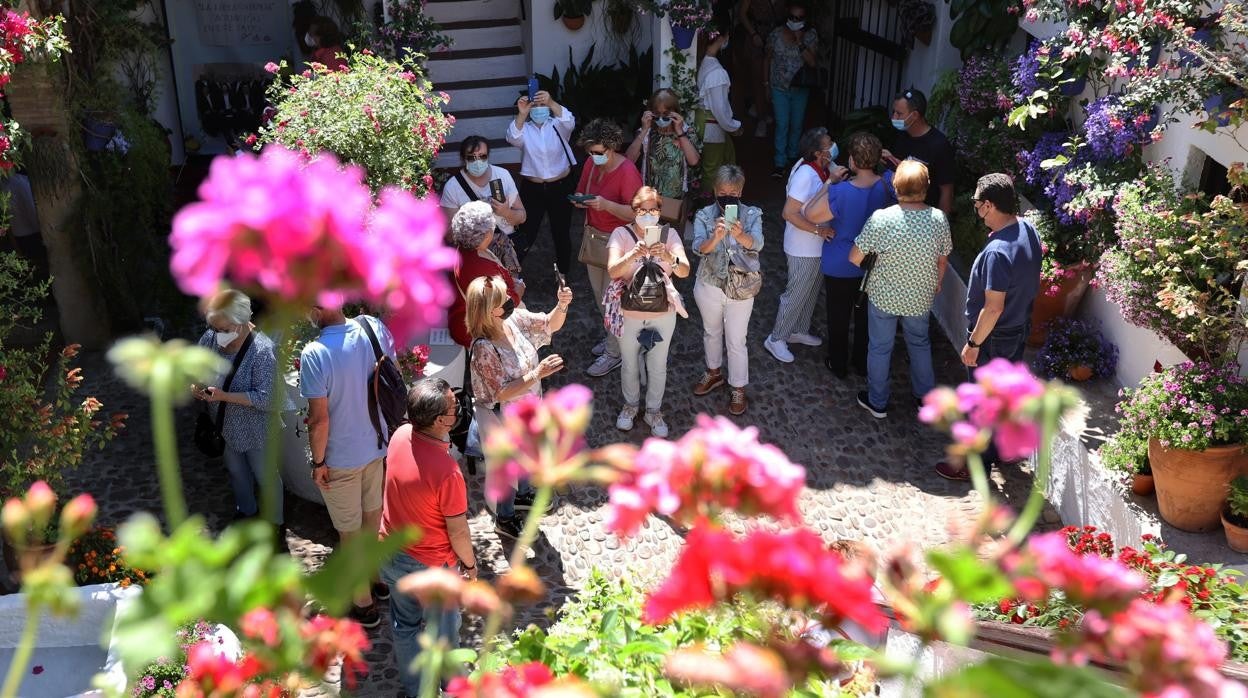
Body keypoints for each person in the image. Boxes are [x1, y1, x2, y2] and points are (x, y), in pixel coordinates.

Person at [933, 174, 1041, 480]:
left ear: (990, 205)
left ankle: (974, 467)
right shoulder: (1027, 230)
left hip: (994, 336)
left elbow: (993, 307)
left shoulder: (997, 253)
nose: (976, 209)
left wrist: (974, 343)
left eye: (978, 204)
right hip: (1018, 327)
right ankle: (1000, 449)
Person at [300, 305, 398, 628]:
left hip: (340, 459)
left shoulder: (315, 353)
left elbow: (319, 420)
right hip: (375, 446)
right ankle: (376, 578)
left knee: (350, 535)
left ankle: (363, 603)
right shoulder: (371, 327)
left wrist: (318, 463)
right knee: (372, 521)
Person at [379, 378, 476, 698]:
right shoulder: (447, 472)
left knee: (404, 626)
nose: (457, 410)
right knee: (446, 633)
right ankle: (452, 687)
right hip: (433, 568)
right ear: (439, 421)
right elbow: (458, 531)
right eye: (453, 407)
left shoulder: (399, 435)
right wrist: (470, 565)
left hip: (393, 553)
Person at [466, 275, 572, 540]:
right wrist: (538, 373)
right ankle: (505, 518)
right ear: (490, 311)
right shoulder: (484, 348)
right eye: (504, 300)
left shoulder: (514, 320)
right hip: (502, 417)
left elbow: (549, 324)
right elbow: (500, 392)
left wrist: (562, 305)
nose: (512, 301)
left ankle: (524, 495)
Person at [849, 160, 950, 419]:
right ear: (926, 188)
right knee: (919, 343)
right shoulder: (938, 219)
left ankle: (878, 401)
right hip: (920, 295)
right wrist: (937, 282)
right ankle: (925, 399)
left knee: (880, 347)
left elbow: (855, 257)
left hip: (884, 296)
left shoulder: (883, 219)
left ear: (896, 187)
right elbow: (942, 259)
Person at [194, 289, 292, 530]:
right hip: (225, 425)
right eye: (215, 329)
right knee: (236, 473)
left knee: (266, 478)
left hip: (257, 429)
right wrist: (196, 386)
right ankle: (246, 511)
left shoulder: (262, 351)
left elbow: (269, 397)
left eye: (224, 330)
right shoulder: (211, 338)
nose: (218, 335)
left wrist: (225, 396)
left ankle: (275, 524)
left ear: (240, 323)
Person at [804, 132, 896, 379]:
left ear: (853, 161)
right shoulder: (888, 184)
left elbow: (811, 214)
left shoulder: (841, 191)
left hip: (840, 262)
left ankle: (838, 362)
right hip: (873, 264)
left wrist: (829, 184)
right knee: (866, 318)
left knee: (838, 315)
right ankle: (862, 361)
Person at [606, 186, 691, 437]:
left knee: (658, 364)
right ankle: (630, 406)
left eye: (653, 209)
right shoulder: (620, 234)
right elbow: (613, 271)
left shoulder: (670, 234)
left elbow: (685, 270)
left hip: (662, 312)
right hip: (629, 311)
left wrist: (667, 254)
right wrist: (633, 254)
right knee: (629, 363)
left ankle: (653, 410)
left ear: (659, 211)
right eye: (642, 210)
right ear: (634, 211)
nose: (648, 214)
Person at [764, 127, 846, 364]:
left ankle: (798, 329)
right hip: (803, 246)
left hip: (816, 245)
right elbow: (789, 213)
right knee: (796, 292)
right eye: (829, 144)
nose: (833, 147)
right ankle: (776, 337)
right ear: (819, 153)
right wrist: (818, 230)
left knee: (810, 291)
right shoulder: (805, 175)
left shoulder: (819, 167)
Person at [690, 165, 763, 415]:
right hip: (710, 282)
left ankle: (738, 386)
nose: (727, 196)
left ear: (740, 191)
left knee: (736, 339)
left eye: (733, 192)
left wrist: (740, 235)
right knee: (711, 332)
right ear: (715, 191)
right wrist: (716, 237)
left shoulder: (752, 214)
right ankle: (713, 372)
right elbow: (699, 248)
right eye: (722, 192)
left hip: (741, 287)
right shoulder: (703, 215)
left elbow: (758, 244)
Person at [574, 119, 643, 378]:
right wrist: (581, 203)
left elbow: (638, 213)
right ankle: (613, 340)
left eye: (599, 153)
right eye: (590, 152)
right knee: (600, 295)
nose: (594, 157)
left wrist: (606, 205)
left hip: (619, 242)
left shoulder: (627, 172)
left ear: (613, 148)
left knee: (612, 298)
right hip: (595, 239)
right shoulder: (591, 165)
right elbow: (581, 191)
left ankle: (615, 353)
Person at [506, 88, 577, 271]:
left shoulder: (557, 125)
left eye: (542, 105)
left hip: (560, 186)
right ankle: (513, 272)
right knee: (526, 231)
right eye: (534, 106)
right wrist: (521, 114)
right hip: (533, 188)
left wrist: (551, 102)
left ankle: (564, 273)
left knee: (561, 231)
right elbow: (512, 137)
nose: (539, 109)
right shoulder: (526, 129)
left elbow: (569, 121)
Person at [440, 136, 526, 279]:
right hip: (473, 253)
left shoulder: (502, 175)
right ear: (463, 159)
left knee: (510, 294)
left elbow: (522, 217)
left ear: (488, 156)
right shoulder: (453, 187)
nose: (477, 162)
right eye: (471, 158)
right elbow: (448, 235)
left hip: (506, 249)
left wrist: (506, 212)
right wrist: (470, 220)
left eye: (482, 156)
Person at [446, 201, 523, 348]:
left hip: (459, 322)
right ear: (488, 234)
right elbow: (500, 308)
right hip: (479, 334)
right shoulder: (484, 270)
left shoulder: (462, 250)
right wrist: (517, 294)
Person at [625, 89, 701, 222]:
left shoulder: (686, 132)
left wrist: (680, 133)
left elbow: (694, 161)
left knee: (672, 239)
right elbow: (629, 160)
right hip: (648, 201)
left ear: (675, 113)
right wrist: (644, 130)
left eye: (666, 116)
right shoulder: (647, 133)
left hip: (675, 201)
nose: (661, 120)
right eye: (657, 115)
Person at [763, 0, 818, 179]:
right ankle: (779, 162)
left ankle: (793, 158)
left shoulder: (810, 36)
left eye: (800, 17)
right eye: (793, 17)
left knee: (796, 124)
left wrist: (800, 42)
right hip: (779, 86)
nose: (796, 20)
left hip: (800, 88)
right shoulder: (776, 34)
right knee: (782, 124)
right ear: (787, 17)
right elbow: (767, 59)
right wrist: (766, 84)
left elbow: (812, 62)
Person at [882, 89, 955, 216]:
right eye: (894, 112)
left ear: (915, 115)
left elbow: (946, 190)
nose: (894, 117)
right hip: (899, 214)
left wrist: (942, 225)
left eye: (899, 113)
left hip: (926, 218)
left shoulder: (939, 145)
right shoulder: (901, 136)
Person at [696, 28, 744, 195]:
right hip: (713, 125)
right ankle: (711, 210)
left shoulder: (702, 62)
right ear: (722, 38)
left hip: (704, 121)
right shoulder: (717, 72)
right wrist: (734, 126)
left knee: (725, 163)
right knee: (714, 170)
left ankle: (721, 209)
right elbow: (719, 109)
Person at [734, 0, 783, 138]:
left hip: (777, 38)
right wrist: (753, 33)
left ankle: (764, 110)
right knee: (759, 78)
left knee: (774, 76)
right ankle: (761, 118)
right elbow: (742, 14)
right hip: (757, 37)